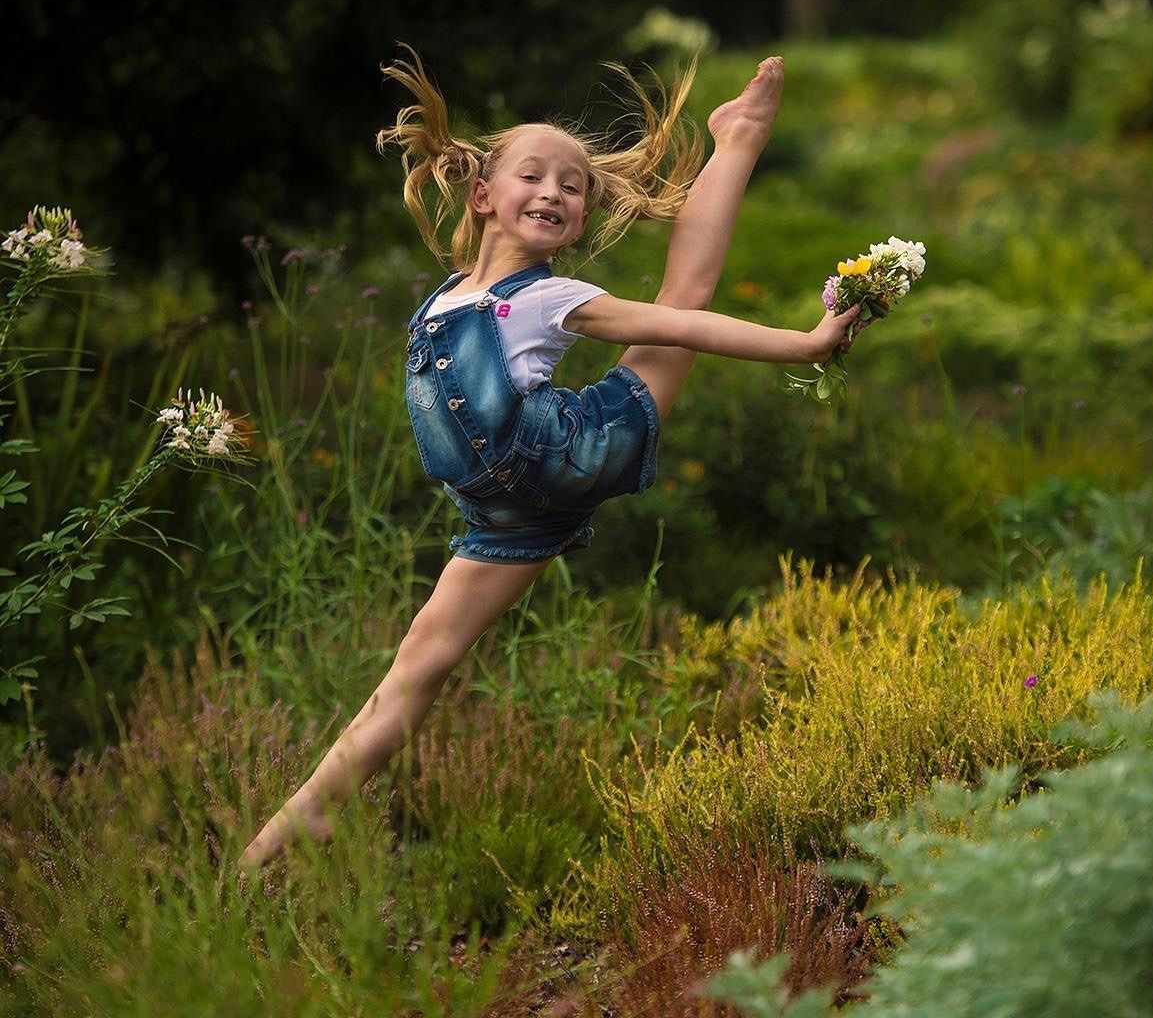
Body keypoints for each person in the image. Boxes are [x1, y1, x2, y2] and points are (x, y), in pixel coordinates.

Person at [237, 51, 859, 870]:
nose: (557, 193)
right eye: (536, 176)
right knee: (417, 669)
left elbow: (697, 332)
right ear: (483, 195)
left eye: (573, 186)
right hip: (498, 516)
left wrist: (804, 346)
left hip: (573, 454)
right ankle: (299, 822)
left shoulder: (547, 297)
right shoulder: (448, 295)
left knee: (681, 307)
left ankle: (737, 141)